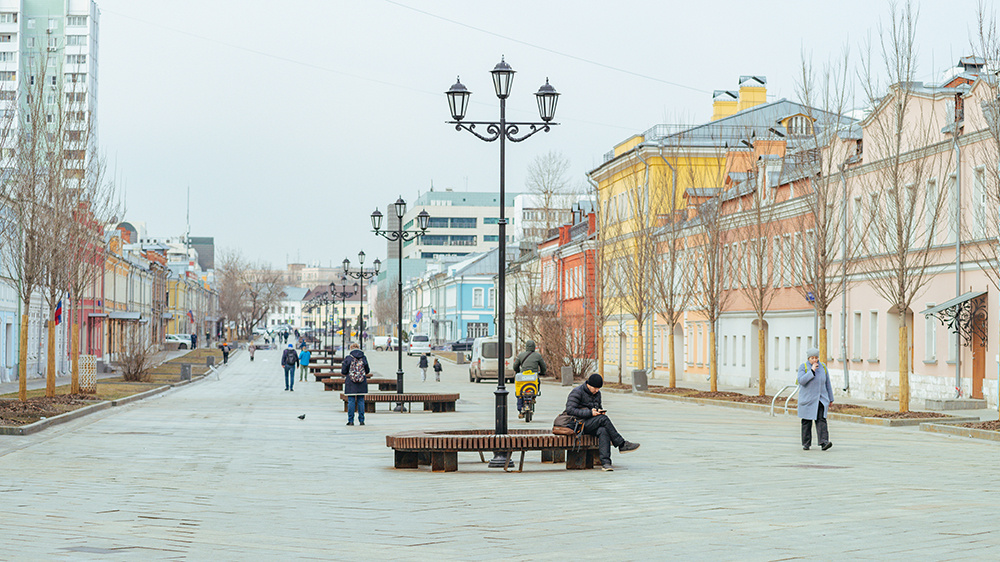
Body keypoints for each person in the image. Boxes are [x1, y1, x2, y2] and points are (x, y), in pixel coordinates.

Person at [564, 374, 640, 471]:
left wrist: (599, 411)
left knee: (603, 430)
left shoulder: (597, 394)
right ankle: (621, 444)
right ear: (589, 385)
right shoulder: (577, 392)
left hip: (590, 423)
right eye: (595, 388)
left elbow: (597, 407)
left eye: (598, 388)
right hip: (577, 424)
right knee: (603, 419)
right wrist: (590, 413)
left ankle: (606, 463)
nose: (597, 391)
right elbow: (570, 410)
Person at [797, 348, 834, 451]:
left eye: (816, 358)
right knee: (806, 421)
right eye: (812, 358)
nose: (814, 360)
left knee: (821, 420)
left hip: (821, 399)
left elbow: (827, 383)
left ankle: (824, 442)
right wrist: (812, 371)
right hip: (808, 399)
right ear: (808, 358)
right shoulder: (803, 367)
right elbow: (801, 381)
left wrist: (830, 398)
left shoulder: (823, 367)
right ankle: (806, 443)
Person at [512, 340, 547, 419]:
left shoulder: (521, 355)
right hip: (533, 377)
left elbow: (515, 366)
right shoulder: (537, 356)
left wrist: (518, 371)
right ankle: (534, 396)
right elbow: (543, 366)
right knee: (537, 383)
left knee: (520, 391)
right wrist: (542, 372)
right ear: (534, 347)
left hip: (523, 377)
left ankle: (520, 409)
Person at [341, 343, 371, 426]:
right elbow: (367, 370)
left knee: (351, 401)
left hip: (351, 383)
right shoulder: (363, 357)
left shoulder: (348, 358)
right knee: (361, 401)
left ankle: (351, 421)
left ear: (351, 349)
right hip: (362, 383)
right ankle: (361, 420)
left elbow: (343, 371)